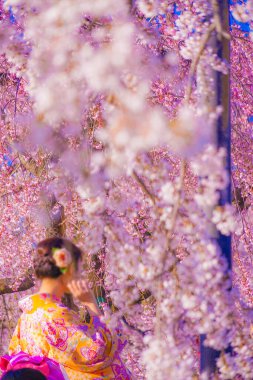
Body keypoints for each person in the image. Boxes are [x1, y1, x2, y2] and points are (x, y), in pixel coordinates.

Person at [8, 237, 132, 380]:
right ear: (67, 269)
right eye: (78, 269)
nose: (80, 275)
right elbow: (97, 352)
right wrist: (91, 304)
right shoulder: (54, 315)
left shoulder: (25, 318)